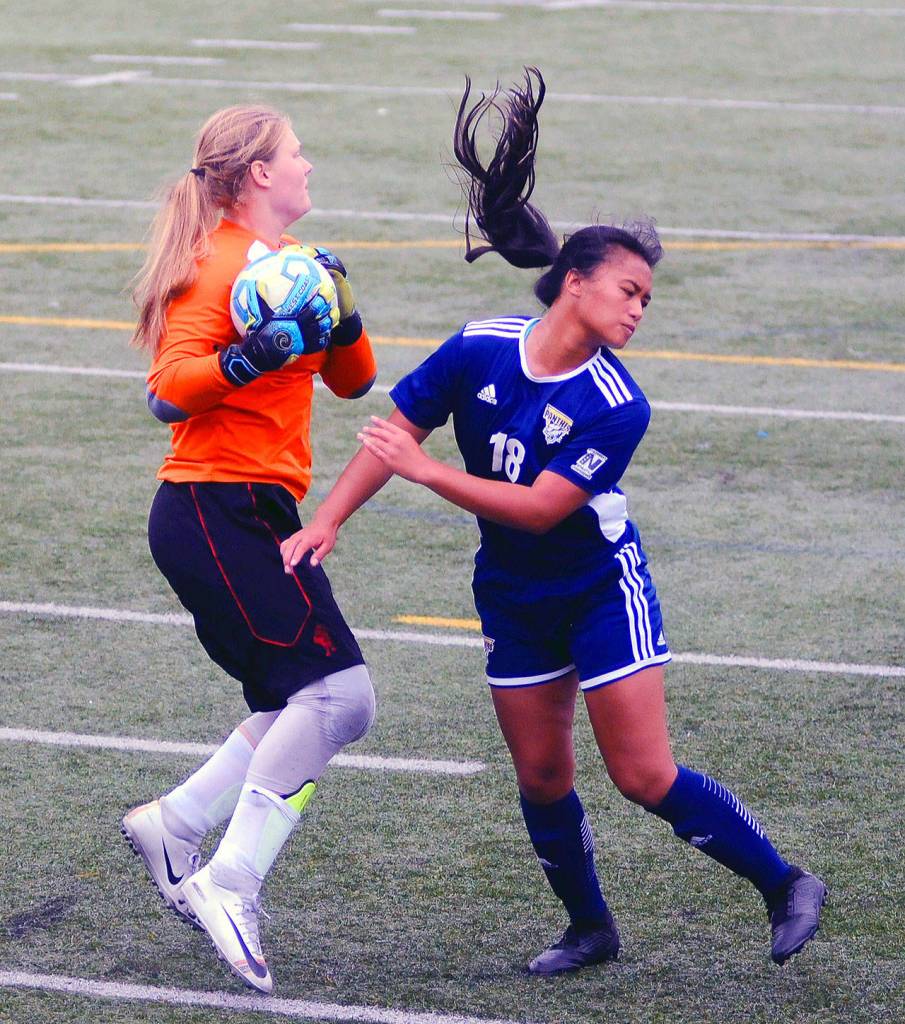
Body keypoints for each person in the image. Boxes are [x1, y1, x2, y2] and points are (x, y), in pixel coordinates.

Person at [279, 70, 827, 975]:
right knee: (541, 777)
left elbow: (538, 510)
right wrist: (329, 518)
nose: (638, 310)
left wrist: (427, 473)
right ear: (573, 282)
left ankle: (783, 883)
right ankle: (589, 928)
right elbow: (394, 433)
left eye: (647, 299)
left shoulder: (619, 403)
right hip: (512, 592)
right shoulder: (479, 345)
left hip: (600, 588)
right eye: (628, 290)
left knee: (641, 776)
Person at [121, 104, 378, 994]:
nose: (309, 165)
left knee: (298, 701)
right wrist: (250, 355)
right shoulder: (217, 264)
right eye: (296, 154)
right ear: (259, 174)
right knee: (339, 697)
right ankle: (229, 880)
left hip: (257, 510)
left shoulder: (292, 269)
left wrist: (337, 313)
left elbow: (355, 381)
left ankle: (176, 823)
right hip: (212, 509)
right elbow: (167, 392)